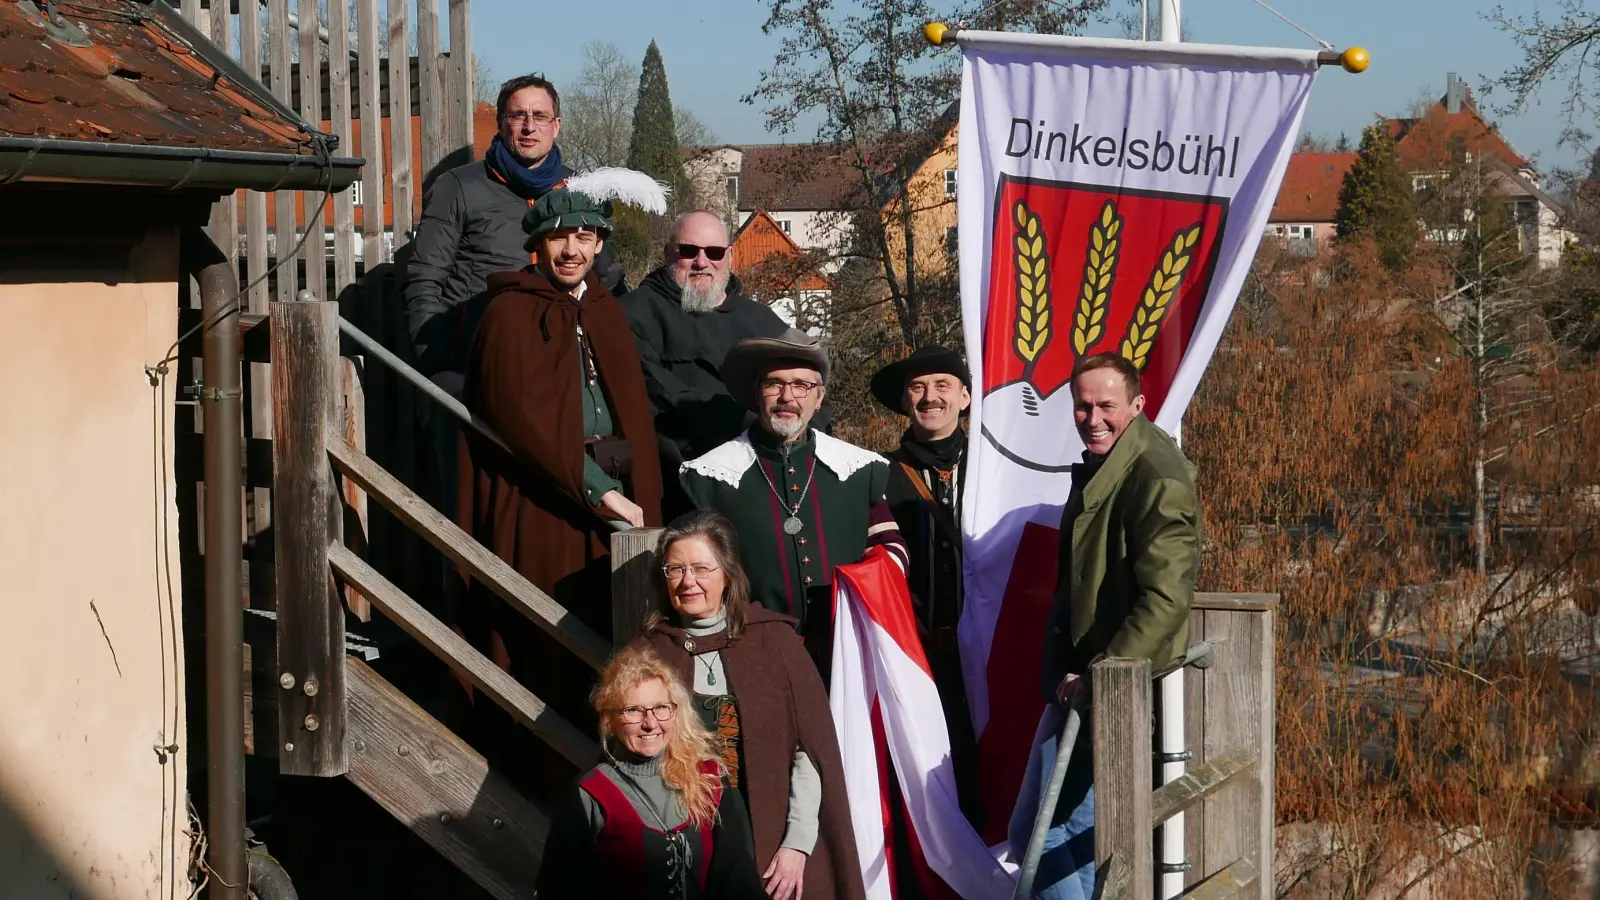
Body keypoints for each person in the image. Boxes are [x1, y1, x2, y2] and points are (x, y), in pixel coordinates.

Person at [456, 169, 665, 801]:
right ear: (537, 245)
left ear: (600, 244)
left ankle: (620, 790)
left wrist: (638, 500)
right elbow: (525, 422)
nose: (570, 249)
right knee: (546, 645)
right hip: (544, 507)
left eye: (583, 236)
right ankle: (547, 791)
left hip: (614, 514)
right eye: (557, 237)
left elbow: (633, 410)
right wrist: (602, 492)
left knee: (614, 644)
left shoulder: (603, 309)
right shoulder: (509, 313)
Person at [1010, 352, 1201, 899]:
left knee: (1049, 833)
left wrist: (1102, 674)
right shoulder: (1111, 461)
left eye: (1107, 406)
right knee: (1040, 831)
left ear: (1138, 405)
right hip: (1087, 684)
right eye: (1082, 406)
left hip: (1113, 690)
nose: (1092, 418)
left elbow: (1166, 596)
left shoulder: (1155, 475)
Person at [629, 510, 867, 900]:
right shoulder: (647, 654)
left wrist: (797, 843)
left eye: (701, 568)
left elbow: (810, 752)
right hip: (681, 849)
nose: (688, 581)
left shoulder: (774, 642)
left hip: (773, 839)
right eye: (675, 569)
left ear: (727, 573)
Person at [679, 329, 907, 677]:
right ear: (757, 393)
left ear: (819, 398)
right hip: (752, 653)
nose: (787, 397)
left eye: (801, 385)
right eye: (774, 384)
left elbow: (890, 547)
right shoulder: (710, 476)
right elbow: (695, 571)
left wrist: (858, 599)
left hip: (849, 653)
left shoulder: (860, 469)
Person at [537, 645, 770, 900]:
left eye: (660, 708)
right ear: (609, 719)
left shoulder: (708, 779)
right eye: (633, 710)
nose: (650, 723)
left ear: (675, 711)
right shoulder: (591, 796)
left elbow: (739, 882)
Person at [623, 211, 812, 519]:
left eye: (714, 252)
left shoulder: (761, 319)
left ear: (730, 256)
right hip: (680, 487)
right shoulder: (635, 314)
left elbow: (811, 388)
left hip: (770, 483)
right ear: (668, 252)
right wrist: (753, 424)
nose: (701, 262)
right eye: (688, 251)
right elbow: (659, 395)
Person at [868, 345, 983, 826]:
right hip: (915, 659)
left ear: (966, 397)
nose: (929, 397)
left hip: (987, 657)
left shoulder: (993, 470)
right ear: (904, 402)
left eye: (941, 386)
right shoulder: (876, 474)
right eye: (917, 388)